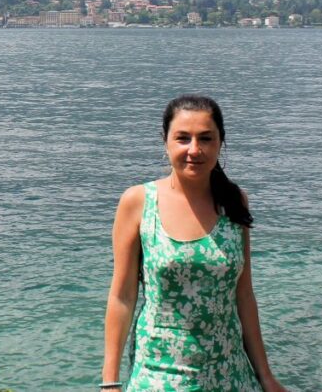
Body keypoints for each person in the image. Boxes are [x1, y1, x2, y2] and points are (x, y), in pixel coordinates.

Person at [101, 94, 287, 391]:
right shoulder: (138, 202)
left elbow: (244, 295)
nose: (194, 150)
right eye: (183, 138)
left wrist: (265, 375)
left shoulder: (234, 202)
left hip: (230, 374)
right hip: (159, 374)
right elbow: (122, 296)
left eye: (205, 138)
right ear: (166, 142)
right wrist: (109, 382)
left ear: (220, 143)